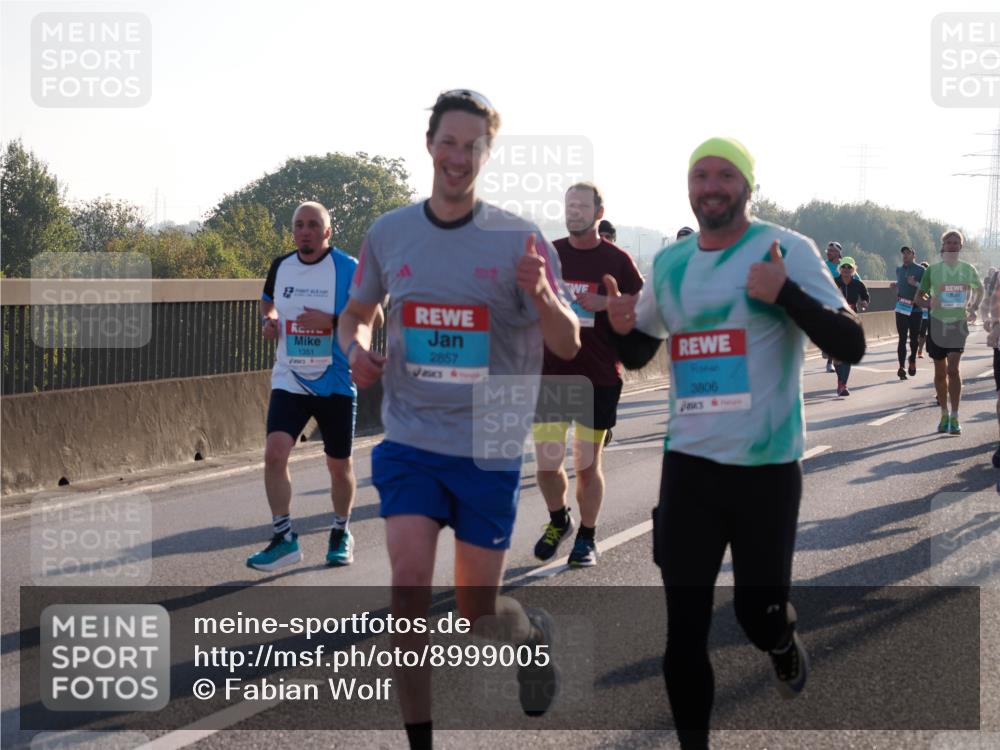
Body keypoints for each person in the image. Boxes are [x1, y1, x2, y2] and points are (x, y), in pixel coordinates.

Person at [604, 137, 865, 750]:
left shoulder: (785, 251)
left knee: (756, 612)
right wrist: (612, 326)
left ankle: (779, 641)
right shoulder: (671, 263)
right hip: (689, 468)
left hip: (765, 470)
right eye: (700, 175)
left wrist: (786, 293)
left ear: (748, 186)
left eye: (725, 174)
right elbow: (641, 351)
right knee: (684, 632)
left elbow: (849, 344)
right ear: (689, 188)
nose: (711, 185)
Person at [338, 89, 580, 749]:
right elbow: (355, 312)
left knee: (477, 616)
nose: (457, 157)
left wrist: (540, 294)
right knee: (409, 592)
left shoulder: (519, 239)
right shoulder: (390, 232)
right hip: (412, 442)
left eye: (472, 146)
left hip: (488, 449)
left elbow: (568, 343)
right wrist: (355, 349)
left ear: (485, 153)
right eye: (448, 142)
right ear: (429, 145)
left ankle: (528, 635)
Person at [248, 201, 381, 571]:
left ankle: (340, 531)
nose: (304, 231)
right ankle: (284, 538)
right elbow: (268, 304)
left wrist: (333, 319)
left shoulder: (348, 268)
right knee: (275, 452)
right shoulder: (281, 266)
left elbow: (376, 316)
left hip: (336, 380)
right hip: (289, 376)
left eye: (312, 225)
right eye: (298, 225)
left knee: (338, 467)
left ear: (327, 232)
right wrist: (270, 322)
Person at [532, 183, 643, 567]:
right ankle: (560, 519)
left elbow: (644, 308)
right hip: (551, 376)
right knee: (547, 466)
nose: (574, 211)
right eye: (569, 205)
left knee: (585, 464)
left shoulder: (617, 260)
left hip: (597, 378)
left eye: (582, 205)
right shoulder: (549, 255)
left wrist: (607, 303)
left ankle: (588, 537)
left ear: (599, 212)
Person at [912, 230, 983, 435]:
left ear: (961, 247)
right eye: (949, 242)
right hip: (936, 322)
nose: (952, 246)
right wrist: (928, 302)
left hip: (957, 323)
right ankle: (943, 413)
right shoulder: (933, 270)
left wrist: (973, 307)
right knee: (940, 372)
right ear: (943, 246)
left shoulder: (968, 269)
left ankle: (955, 415)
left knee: (953, 369)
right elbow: (919, 297)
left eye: (956, 243)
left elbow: (979, 290)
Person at [833, 257, 869, 396]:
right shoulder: (834, 282)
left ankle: (843, 385)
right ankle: (840, 380)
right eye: (844, 267)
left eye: (849, 267)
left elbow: (865, 296)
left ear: (853, 270)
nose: (846, 270)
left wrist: (865, 302)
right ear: (840, 269)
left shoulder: (858, 284)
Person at [888, 245, 925, 379]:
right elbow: (900, 290)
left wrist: (915, 283)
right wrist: (895, 289)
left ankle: (912, 360)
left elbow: (927, 290)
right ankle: (901, 367)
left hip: (915, 309)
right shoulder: (899, 270)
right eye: (903, 253)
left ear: (914, 256)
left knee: (914, 339)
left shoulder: (921, 270)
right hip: (901, 308)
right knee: (902, 338)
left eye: (908, 253)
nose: (905, 256)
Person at [917, 261, 931, 359]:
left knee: (927, 331)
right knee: (920, 332)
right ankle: (919, 350)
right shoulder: (917, 281)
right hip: (917, 310)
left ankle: (922, 350)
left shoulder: (931, 282)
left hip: (928, 310)